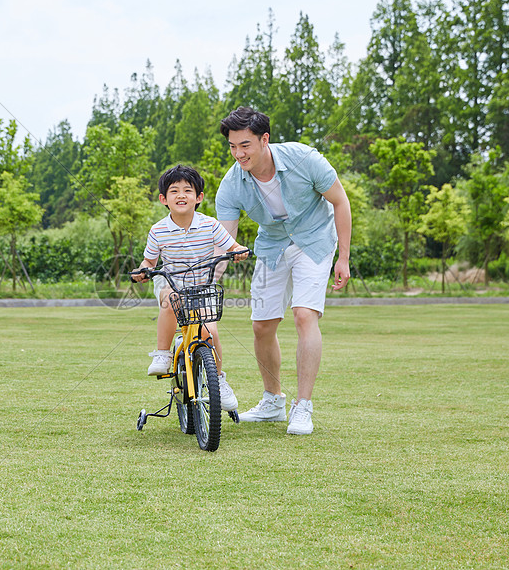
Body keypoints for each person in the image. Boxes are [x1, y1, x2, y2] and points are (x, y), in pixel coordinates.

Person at [214, 106, 351, 435]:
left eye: (245, 145)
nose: (238, 154)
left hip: (315, 240)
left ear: (264, 140)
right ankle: (273, 401)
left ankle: (302, 407)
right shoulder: (231, 185)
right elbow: (225, 242)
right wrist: (207, 279)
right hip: (273, 246)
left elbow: (340, 201)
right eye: (232, 146)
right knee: (261, 326)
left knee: (305, 315)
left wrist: (343, 258)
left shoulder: (304, 159)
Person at [132, 165, 249, 411]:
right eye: (174, 191)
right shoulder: (158, 230)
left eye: (188, 190)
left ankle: (218, 380)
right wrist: (143, 271)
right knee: (170, 299)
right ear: (164, 199)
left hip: (201, 285)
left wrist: (238, 252)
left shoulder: (211, 225)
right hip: (171, 281)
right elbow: (149, 262)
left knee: (211, 333)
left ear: (199, 197)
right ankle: (163, 353)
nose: (181, 195)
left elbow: (233, 246)